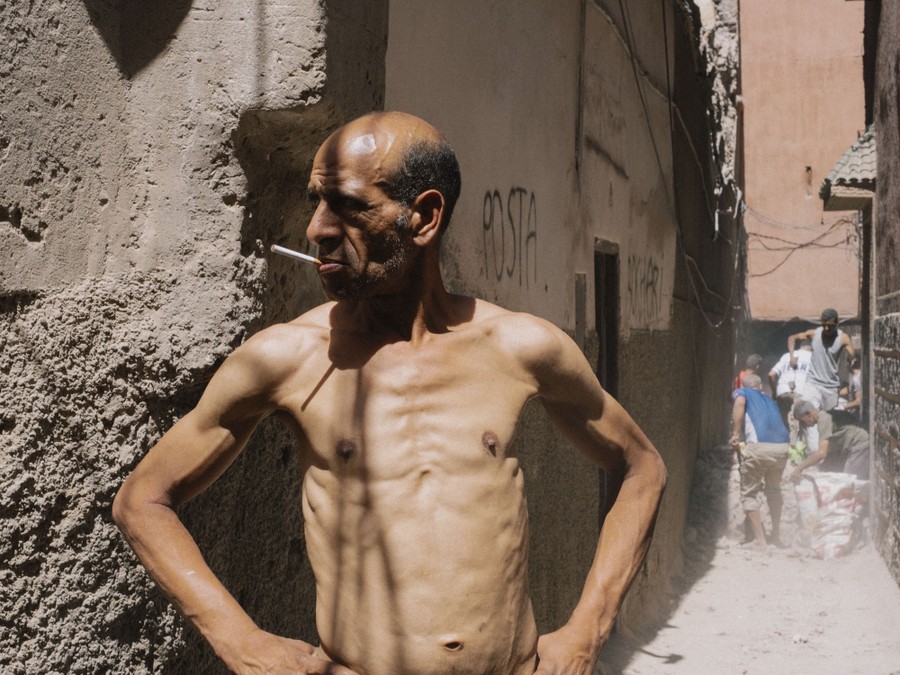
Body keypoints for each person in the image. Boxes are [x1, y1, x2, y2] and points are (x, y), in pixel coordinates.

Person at [112, 111, 667, 675]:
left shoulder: (520, 346)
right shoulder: (288, 358)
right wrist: (241, 642)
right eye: (315, 202)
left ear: (424, 217)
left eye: (350, 206)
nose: (317, 229)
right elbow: (143, 500)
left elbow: (641, 466)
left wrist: (586, 633)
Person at [729, 373, 790, 550]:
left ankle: (760, 541)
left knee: (749, 494)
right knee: (774, 490)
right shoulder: (770, 400)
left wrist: (735, 434)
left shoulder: (742, 392)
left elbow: (739, 403)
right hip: (782, 449)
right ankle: (776, 536)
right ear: (761, 387)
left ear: (745, 385)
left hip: (759, 448)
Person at [787, 309, 855, 411]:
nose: (827, 328)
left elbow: (853, 357)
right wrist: (791, 357)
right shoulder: (814, 334)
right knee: (808, 413)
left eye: (830, 325)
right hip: (813, 382)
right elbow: (792, 338)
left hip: (831, 386)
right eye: (824, 325)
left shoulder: (843, 338)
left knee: (828, 420)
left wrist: (853, 362)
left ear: (837, 323)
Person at [789, 400, 869, 482]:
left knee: (850, 481)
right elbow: (831, 452)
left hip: (861, 444)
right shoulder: (826, 416)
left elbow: (822, 453)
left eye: (802, 421)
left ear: (808, 414)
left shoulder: (824, 420)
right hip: (858, 444)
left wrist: (799, 468)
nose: (804, 424)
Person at [768, 339, 812, 443]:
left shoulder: (786, 356)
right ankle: (798, 452)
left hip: (782, 394)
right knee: (802, 427)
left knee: (786, 425)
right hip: (801, 395)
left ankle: (786, 449)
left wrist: (775, 392)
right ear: (811, 348)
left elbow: (771, 374)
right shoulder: (813, 357)